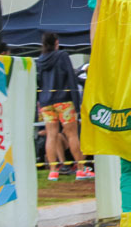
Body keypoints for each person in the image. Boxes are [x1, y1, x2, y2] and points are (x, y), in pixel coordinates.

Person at [36, 32, 94, 182]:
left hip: (46, 103)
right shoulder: (62, 56)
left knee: (51, 135)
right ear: (56, 42)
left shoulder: (40, 60)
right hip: (64, 101)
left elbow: (39, 81)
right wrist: (76, 103)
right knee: (72, 134)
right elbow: (71, 78)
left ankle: (53, 171)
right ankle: (81, 169)